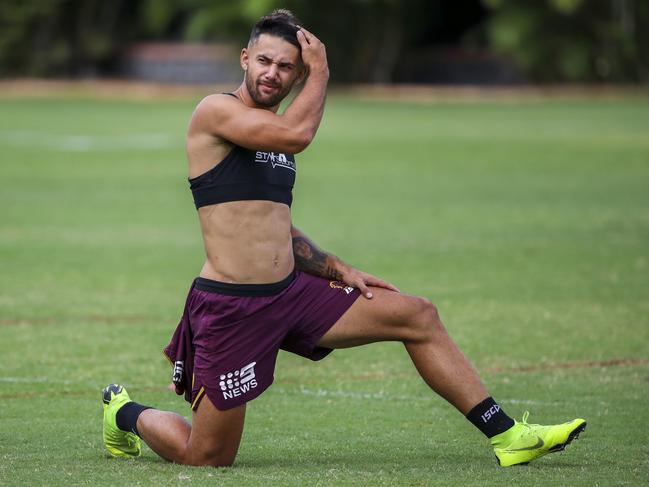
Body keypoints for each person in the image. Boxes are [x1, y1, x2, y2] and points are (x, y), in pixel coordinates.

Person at [102, 10, 586, 468]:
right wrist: (322, 72)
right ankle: (122, 412)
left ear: (293, 76)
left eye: (287, 67)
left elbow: (271, 225)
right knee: (206, 456)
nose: (273, 73)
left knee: (416, 314)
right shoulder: (216, 112)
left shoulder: (272, 133)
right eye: (265, 61)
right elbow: (297, 134)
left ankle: (507, 437)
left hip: (291, 293)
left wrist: (334, 267)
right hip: (234, 306)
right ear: (245, 59)